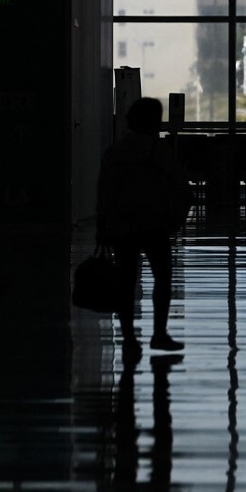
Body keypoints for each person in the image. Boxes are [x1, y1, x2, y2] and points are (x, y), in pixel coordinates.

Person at [97, 97, 193, 361]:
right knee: (162, 279)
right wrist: (176, 220)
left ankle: (129, 338)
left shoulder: (115, 152)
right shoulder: (160, 152)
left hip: (123, 226)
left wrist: (102, 226)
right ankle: (159, 334)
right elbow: (184, 190)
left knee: (126, 282)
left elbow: (105, 192)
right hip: (155, 225)